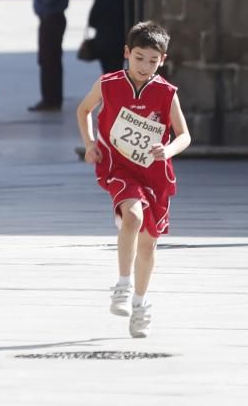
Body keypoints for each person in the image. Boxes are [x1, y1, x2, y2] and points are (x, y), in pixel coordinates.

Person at [76, 21, 191, 338]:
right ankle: (123, 285)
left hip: (155, 175)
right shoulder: (109, 83)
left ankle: (140, 304)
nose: (144, 66)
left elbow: (184, 136)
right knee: (132, 216)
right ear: (127, 53)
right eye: (139, 57)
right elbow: (84, 110)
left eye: (153, 60)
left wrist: (167, 150)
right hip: (119, 170)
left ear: (162, 60)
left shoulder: (167, 94)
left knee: (149, 244)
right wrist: (89, 144)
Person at [24, 0, 70, 112]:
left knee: (49, 60)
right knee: (49, 60)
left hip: (52, 20)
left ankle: (50, 99)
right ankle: (52, 98)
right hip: (49, 20)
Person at [88, 0, 125, 74]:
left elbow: (92, 20)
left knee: (107, 72)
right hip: (120, 42)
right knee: (117, 70)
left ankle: (108, 90)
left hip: (103, 42)